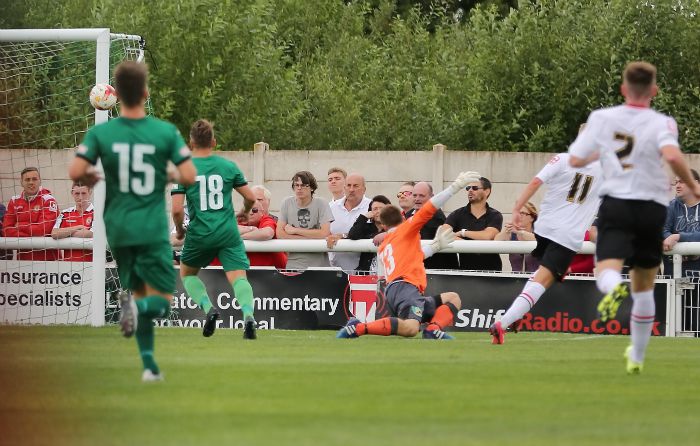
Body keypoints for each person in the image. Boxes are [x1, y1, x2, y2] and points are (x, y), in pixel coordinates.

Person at [568, 61, 700, 374]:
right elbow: (671, 155)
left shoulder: (602, 118)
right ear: (653, 91)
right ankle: (637, 358)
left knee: (607, 270)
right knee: (645, 286)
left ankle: (614, 288)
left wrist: (602, 152)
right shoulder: (663, 123)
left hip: (617, 202)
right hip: (652, 207)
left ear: (623, 89)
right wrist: (693, 184)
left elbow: (575, 158)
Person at [69, 61, 197, 382]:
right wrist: (168, 172)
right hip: (151, 226)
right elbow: (189, 175)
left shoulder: (102, 132)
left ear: (116, 94)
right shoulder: (164, 131)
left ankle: (150, 367)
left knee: (137, 292)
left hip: (117, 226)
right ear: (144, 92)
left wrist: (92, 175)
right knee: (160, 303)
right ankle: (138, 313)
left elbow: (75, 173)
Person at [336, 171, 480, 340]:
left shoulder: (387, 243)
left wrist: (435, 246)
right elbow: (429, 208)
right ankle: (358, 327)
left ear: (383, 225)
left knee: (453, 298)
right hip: (405, 287)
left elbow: (413, 257)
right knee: (411, 329)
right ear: (403, 219)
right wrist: (454, 188)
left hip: (398, 289)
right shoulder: (406, 230)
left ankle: (433, 330)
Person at [489, 153, 602, 344]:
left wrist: (517, 208)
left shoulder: (562, 159)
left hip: (544, 228)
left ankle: (518, 312)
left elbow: (535, 182)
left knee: (541, 276)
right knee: (542, 281)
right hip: (566, 236)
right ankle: (505, 321)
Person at [172, 119, 258, 340]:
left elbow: (176, 211)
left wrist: (180, 231)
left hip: (199, 233)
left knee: (187, 274)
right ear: (214, 142)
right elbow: (250, 197)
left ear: (190, 143)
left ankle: (209, 309)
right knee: (239, 278)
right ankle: (248, 316)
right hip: (228, 232)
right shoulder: (228, 166)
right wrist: (245, 212)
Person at [277, 171, 333, 269]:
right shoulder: (287, 203)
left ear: (311, 188)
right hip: (293, 265)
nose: (299, 188)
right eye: (296, 185)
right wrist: (312, 238)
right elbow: (280, 234)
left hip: (320, 266)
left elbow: (324, 233)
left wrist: (295, 231)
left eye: (303, 185)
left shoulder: (321, 203)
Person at [446, 177, 503, 271]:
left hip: (492, 273)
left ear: (487, 191)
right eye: (468, 188)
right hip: (465, 272)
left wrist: (463, 233)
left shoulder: (495, 215)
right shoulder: (457, 214)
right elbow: (443, 233)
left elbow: (488, 236)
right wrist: (468, 245)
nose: (470, 191)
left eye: (475, 188)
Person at [2, 167, 59, 260]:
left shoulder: (48, 200)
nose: (31, 182)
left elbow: (43, 230)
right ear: (21, 182)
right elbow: (6, 230)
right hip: (23, 261)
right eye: (27, 179)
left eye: (34, 179)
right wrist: (29, 235)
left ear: (40, 181)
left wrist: (20, 226)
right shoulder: (14, 201)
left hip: (48, 261)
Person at [405, 182, 459, 270]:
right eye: (414, 195)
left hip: (436, 271)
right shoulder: (408, 215)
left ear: (432, 197)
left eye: (421, 196)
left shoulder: (437, 217)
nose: (417, 199)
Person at [326, 173, 372, 272]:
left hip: (363, 272)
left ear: (364, 189)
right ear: (344, 188)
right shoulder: (331, 208)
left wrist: (343, 235)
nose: (351, 189)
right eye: (348, 185)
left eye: (356, 186)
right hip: (333, 269)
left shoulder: (372, 207)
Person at [237, 185, 288, 269]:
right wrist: (252, 230)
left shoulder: (278, 222)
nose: (254, 202)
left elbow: (267, 233)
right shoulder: (241, 219)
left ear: (268, 201)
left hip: (274, 271)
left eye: (259, 199)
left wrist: (238, 236)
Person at [662, 169, 700, 276]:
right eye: (676, 182)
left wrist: (678, 237)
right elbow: (663, 231)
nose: (677, 186)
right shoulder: (670, 207)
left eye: (682, 182)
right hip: (673, 276)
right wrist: (679, 249)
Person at [346, 194, 391, 272]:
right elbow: (353, 235)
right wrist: (363, 217)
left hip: (388, 273)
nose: (379, 211)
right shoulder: (366, 227)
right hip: (365, 273)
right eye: (375, 209)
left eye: (382, 208)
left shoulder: (394, 228)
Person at [51, 182, 94, 261]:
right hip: (69, 268)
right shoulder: (65, 213)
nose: (80, 197)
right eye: (77, 193)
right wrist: (78, 227)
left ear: (90, 193)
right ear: (72, 193)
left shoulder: (97, 213)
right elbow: (54, 233)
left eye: (84, 193)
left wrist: (65, 233)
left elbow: (89, 234)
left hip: (91, 267)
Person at [495, 202, 539, 273]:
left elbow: (537, 239)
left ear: (532, 218)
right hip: (516, 279)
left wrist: (520, 231)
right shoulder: (512, 234)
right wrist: (506, 230)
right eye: (517, 213)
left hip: (535, 279)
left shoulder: (539, 233)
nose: (518, 216)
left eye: (522, 213)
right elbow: (496, 241)